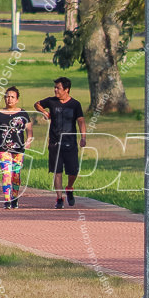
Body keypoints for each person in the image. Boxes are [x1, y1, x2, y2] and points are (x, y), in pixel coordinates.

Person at [34, 77, 86, 209]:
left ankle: (69, 188)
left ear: (66, 90)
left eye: (58, 88)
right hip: (55, 142)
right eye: (55, 88)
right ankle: (59, 198)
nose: (56, 90)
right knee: (57, 171)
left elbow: (81, 121)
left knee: (73, 171)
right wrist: (45, 112)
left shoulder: (75, 104)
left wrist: (83, 137)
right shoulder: (51, 101)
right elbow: (37, 104)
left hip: (70, 143)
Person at [0, 86, 34, 209]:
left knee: (16, 174)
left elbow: (29, 129)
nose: (9, 99)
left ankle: (15, 198)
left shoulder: (23, 113)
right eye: (7, 96)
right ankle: (7, 200)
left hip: (18, 148)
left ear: (17, 100)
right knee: (6, 173)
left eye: (12, 97)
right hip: (2, 148)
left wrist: (29, 140)